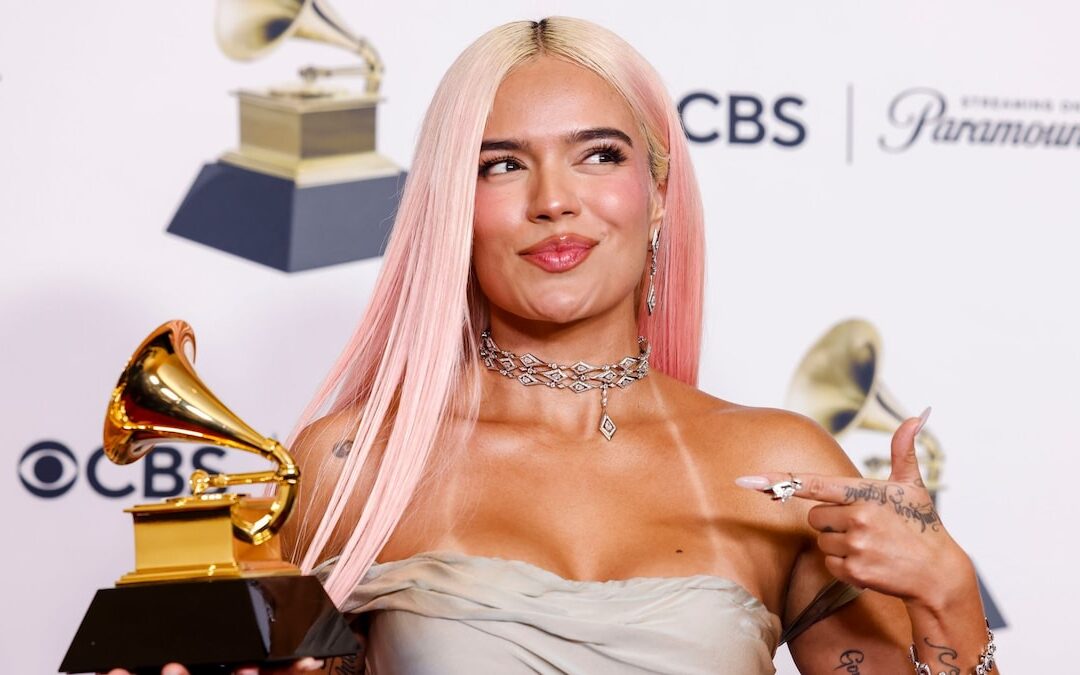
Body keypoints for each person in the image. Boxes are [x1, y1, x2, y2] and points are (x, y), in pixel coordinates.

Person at [110, 16, 995, 675]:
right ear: (453, 209)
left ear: (656, 195)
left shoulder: (776, 464)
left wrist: (949, 595)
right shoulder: (353, 463)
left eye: (598, 155)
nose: (553, 199)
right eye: (501, 164)